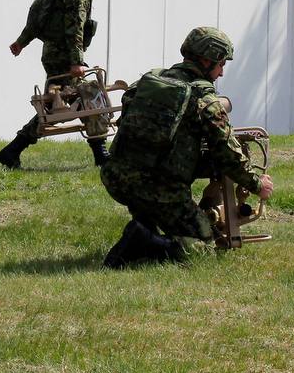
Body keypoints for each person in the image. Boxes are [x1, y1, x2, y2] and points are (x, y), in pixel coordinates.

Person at [99, 26, 274, 267]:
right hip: (159, 189)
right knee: (203, 249)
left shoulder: (150, 81)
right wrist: (256, 183)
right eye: (221, 63)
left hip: (116, 177)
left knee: (156, 207)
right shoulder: (204, 98)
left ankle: (144, 226)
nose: (222, 72)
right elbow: (226, 151)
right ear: (205, 60)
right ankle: (144, 241)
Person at [0, 0, 110, 169]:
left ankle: (11, 151)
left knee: (52, 105)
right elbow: (74, 29)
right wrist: (76, 61)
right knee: (90, 96)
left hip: (52, 53)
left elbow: (36, 20)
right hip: (65, 57)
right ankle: (102, 155)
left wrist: (21, 42)